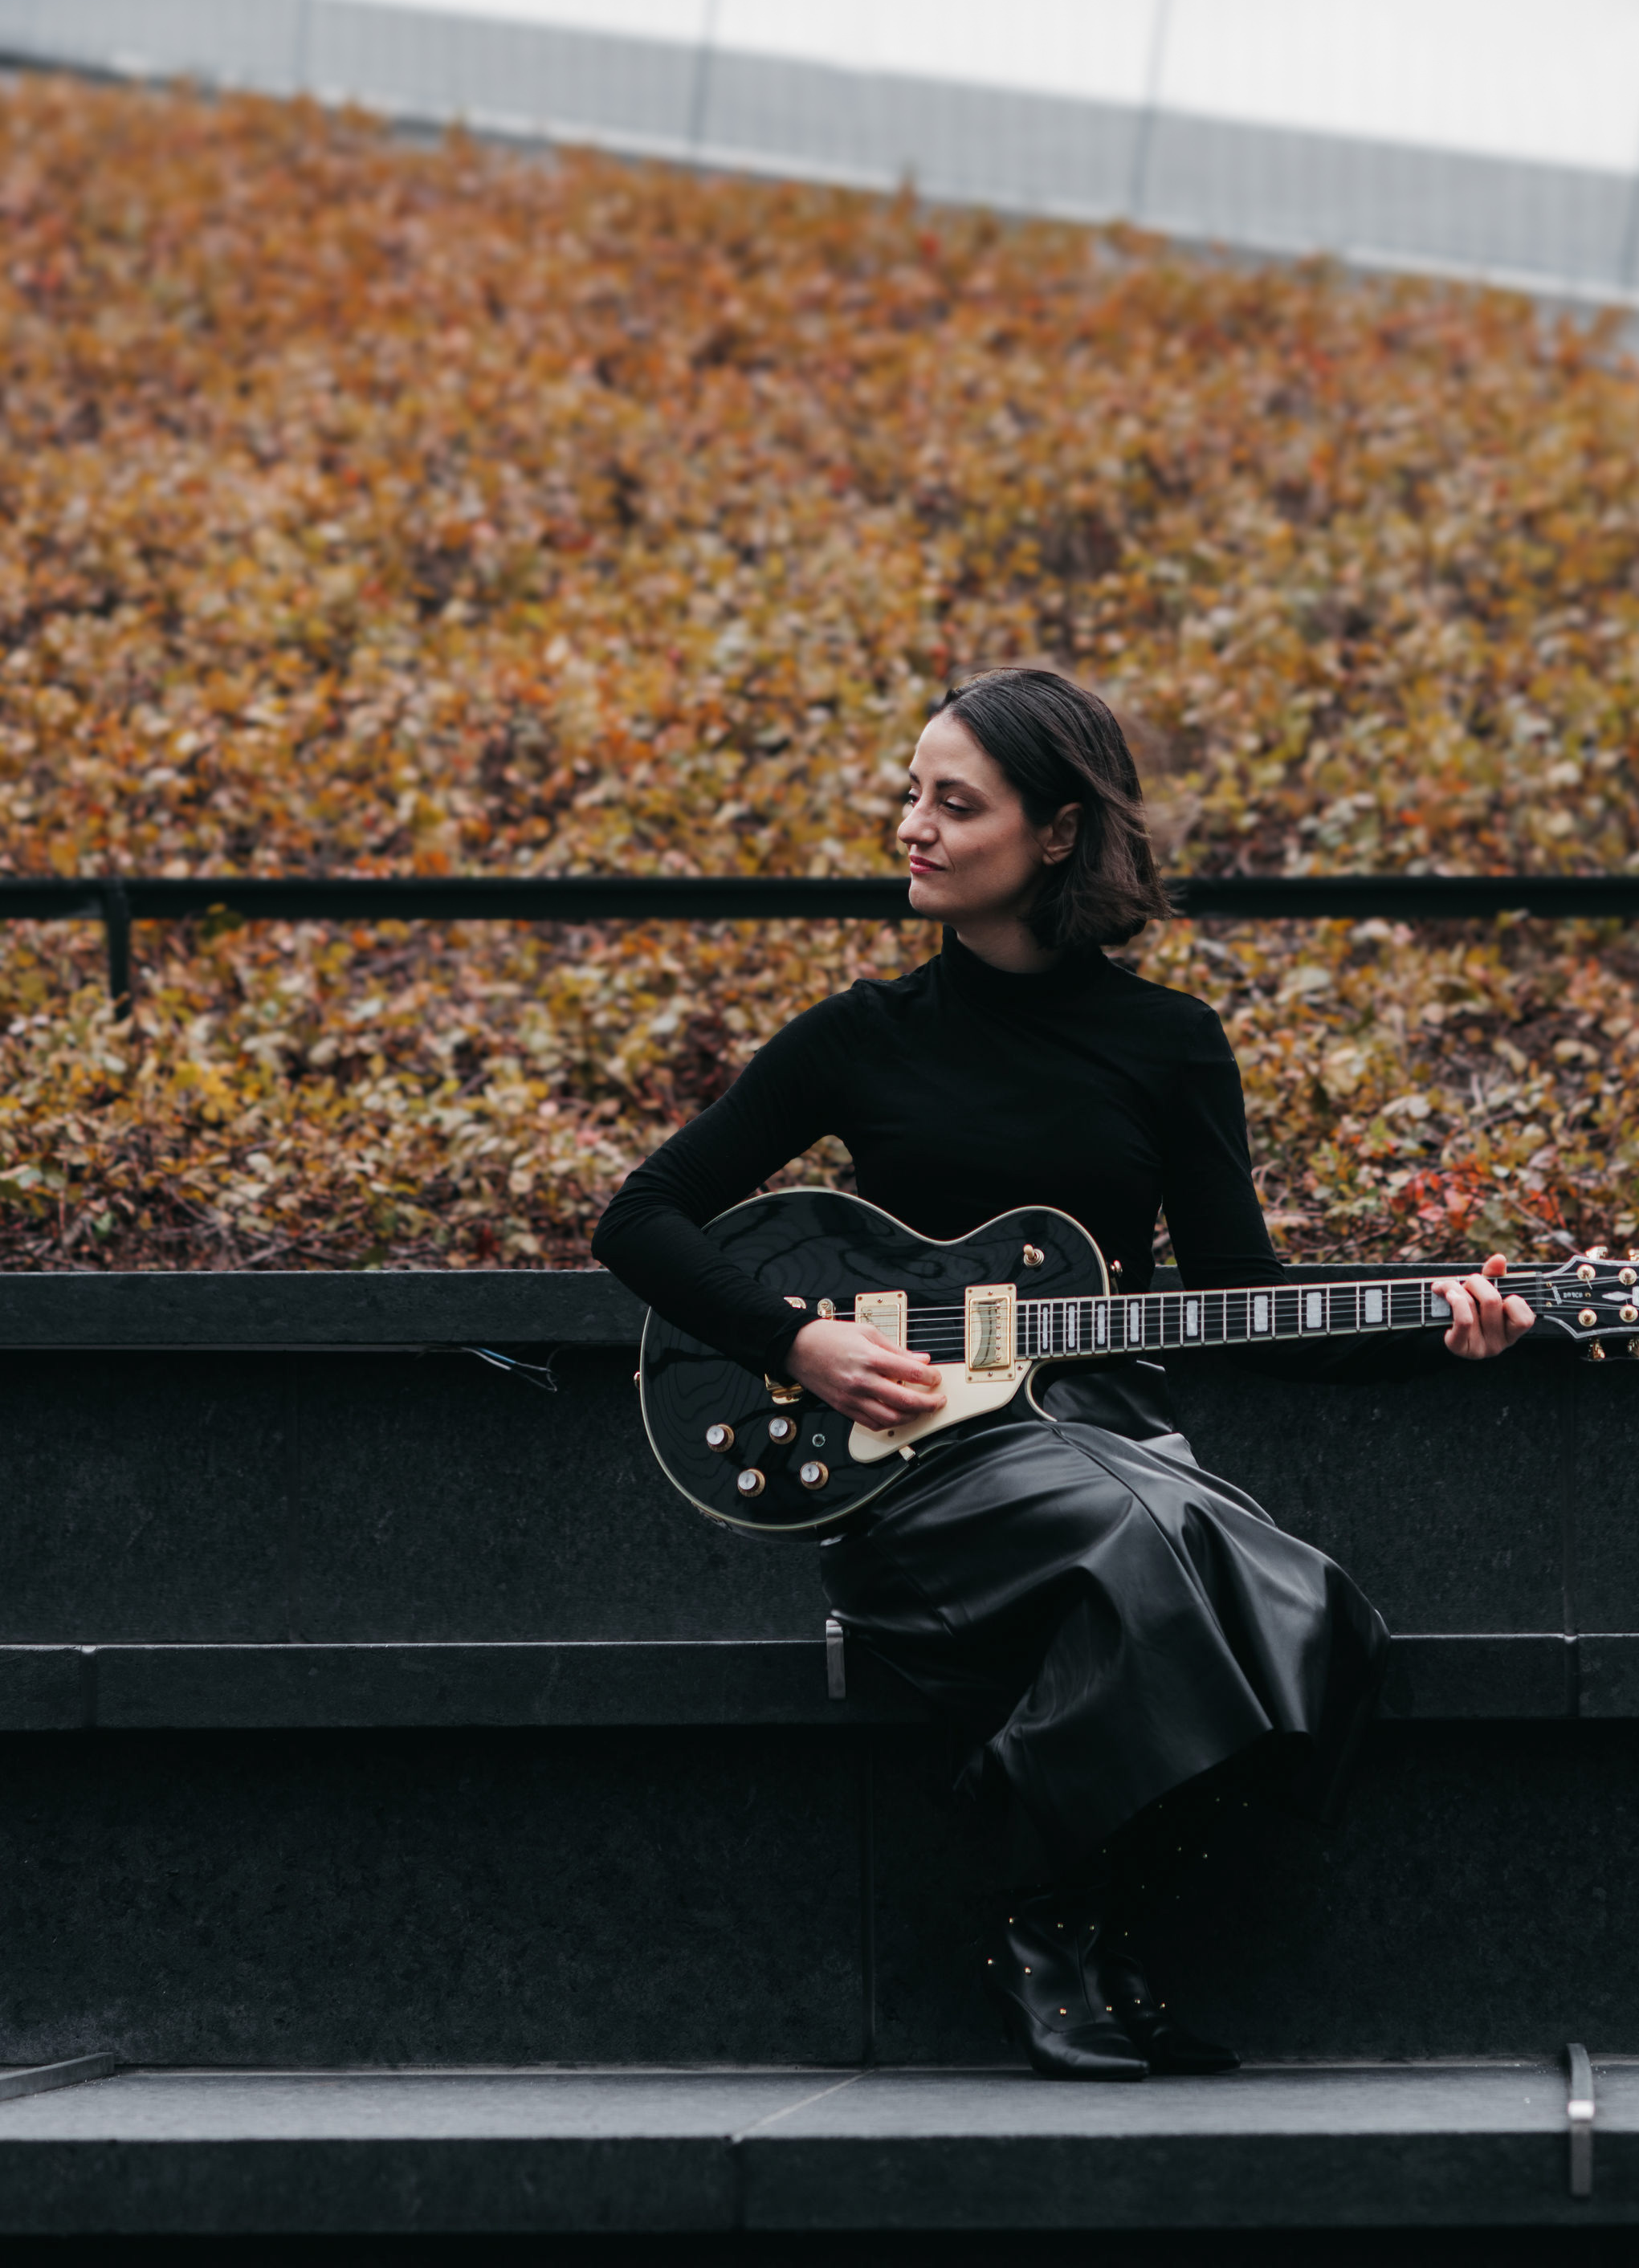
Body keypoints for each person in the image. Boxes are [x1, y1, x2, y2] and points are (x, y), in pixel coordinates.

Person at [592, 669, 1531, 2079]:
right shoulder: (861, 1035)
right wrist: (799, 1343)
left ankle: (1084, 1914)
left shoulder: (1168, 1045)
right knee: (1152, 1543)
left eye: (954, 803)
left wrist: (1440, 1329)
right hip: (914, 1469)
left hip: (1106, 1443)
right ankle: (1043, 1905)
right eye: (912, 793)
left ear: (1058, 833)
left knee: (1312, 1611)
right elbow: (640, 1217)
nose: (913, 826)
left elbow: (1244, 1302)